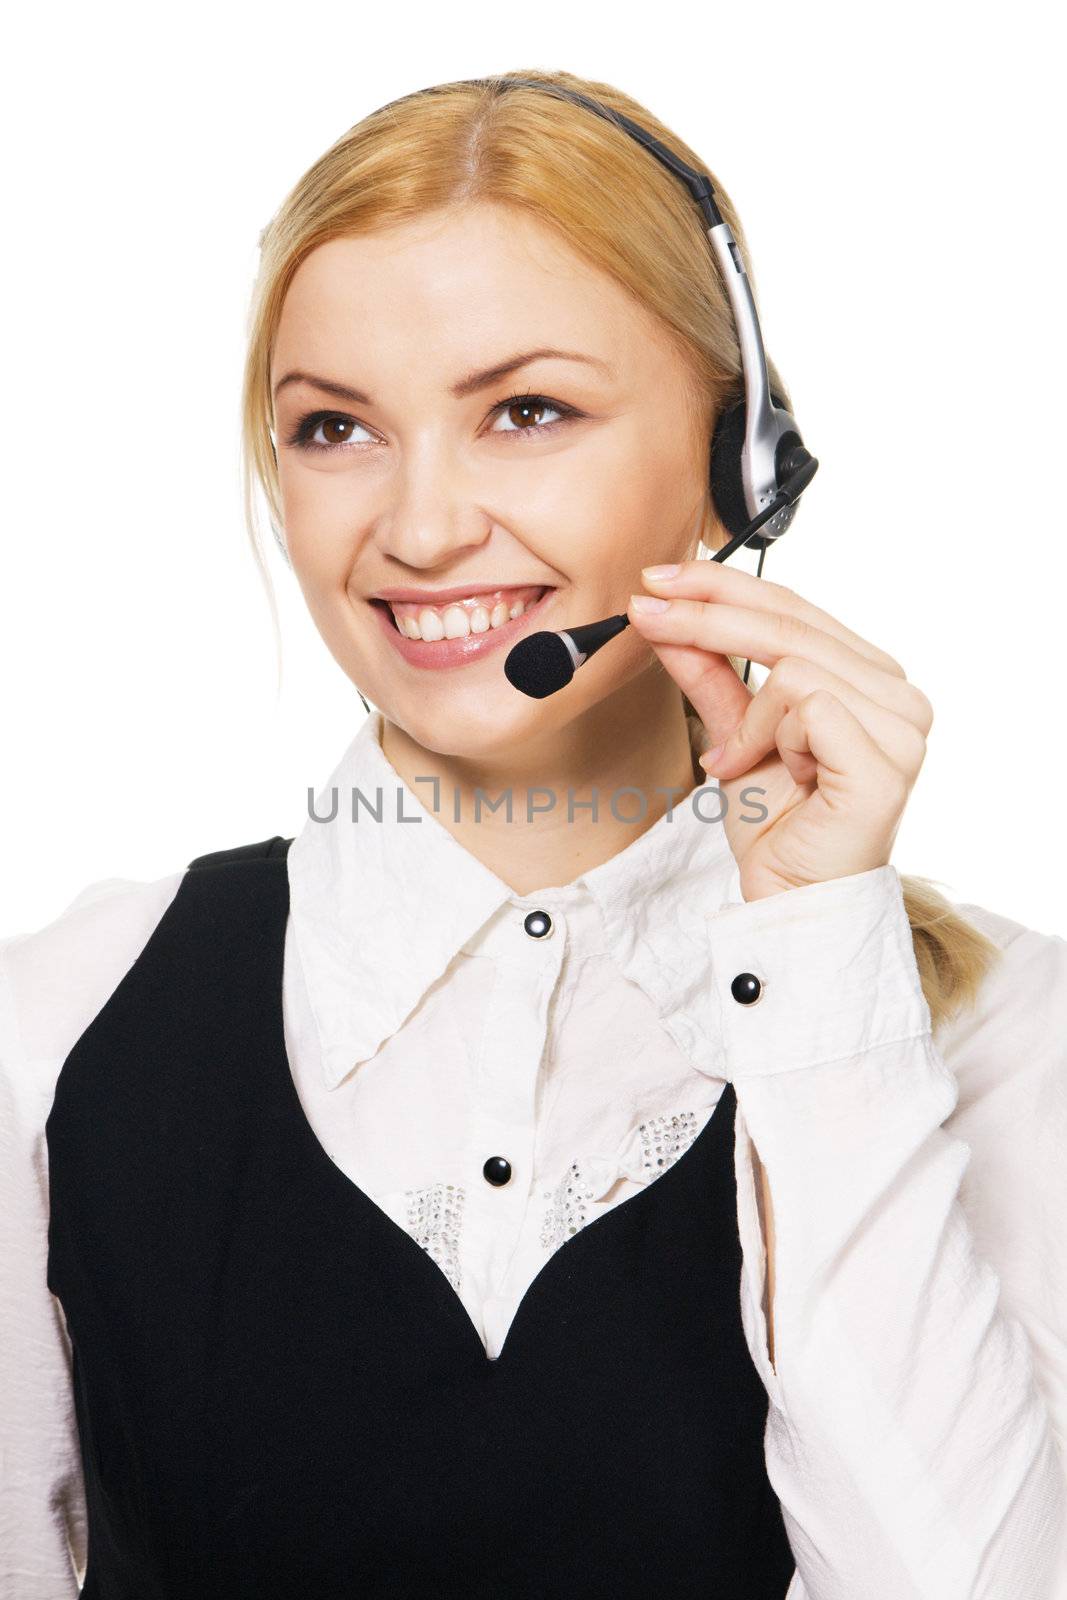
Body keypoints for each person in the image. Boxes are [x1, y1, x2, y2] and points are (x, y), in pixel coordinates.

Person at [3, 67, 1065, 1600]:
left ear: (737, 460)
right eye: (334, 429)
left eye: (527, 411)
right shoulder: (58, 1021)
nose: (423, 528)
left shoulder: (1001, 1037)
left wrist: (823, 968)